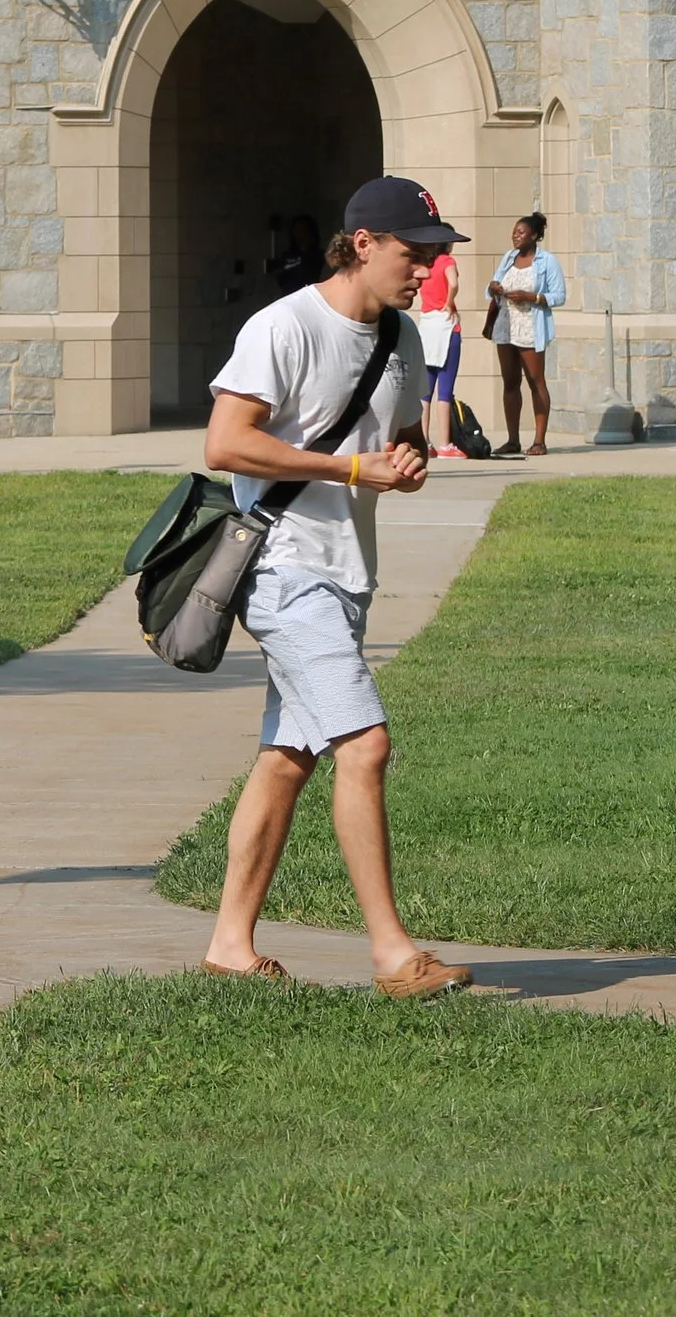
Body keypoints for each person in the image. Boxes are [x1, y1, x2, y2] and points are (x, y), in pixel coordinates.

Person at [199, 175, 476, 1001]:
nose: (425, 269)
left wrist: (407, 466)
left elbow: (395, 444)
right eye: (411, 252)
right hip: (285, 569)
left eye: (432, 256)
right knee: (366, 743)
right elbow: (226, 442)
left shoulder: (404, 339)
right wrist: (349, 467)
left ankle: (229, 947)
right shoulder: (282, 326)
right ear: (362, 244)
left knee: (287, 758)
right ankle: (395, 954)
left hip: (349, 572)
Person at [485, 211, 566, 457]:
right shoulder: (509, 257)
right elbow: (492, 287)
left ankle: (539, 441)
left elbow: (559, 295)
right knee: (510, 383)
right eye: (514, 232)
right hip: (505, 324)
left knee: (535, 381)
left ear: (534, 236)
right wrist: (493, 287)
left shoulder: (546, 261)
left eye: (521, 233)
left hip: (530, 325)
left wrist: (532, 297)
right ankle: (512, 440)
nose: (515, 237)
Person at [414, 241, 465, 457]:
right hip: (445, 322)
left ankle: (423, 441)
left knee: (425, 390)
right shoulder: (447, 261)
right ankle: (445, 443)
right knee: (445, 389)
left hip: (426, 322)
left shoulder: (425, 263)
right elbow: (452, 283)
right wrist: (449, 301)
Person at [269, 213, 323, 295]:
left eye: (303, 230)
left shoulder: (319, 256)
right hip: (289, 297)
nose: (299, 234)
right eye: (296, 230)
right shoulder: (287, 256)